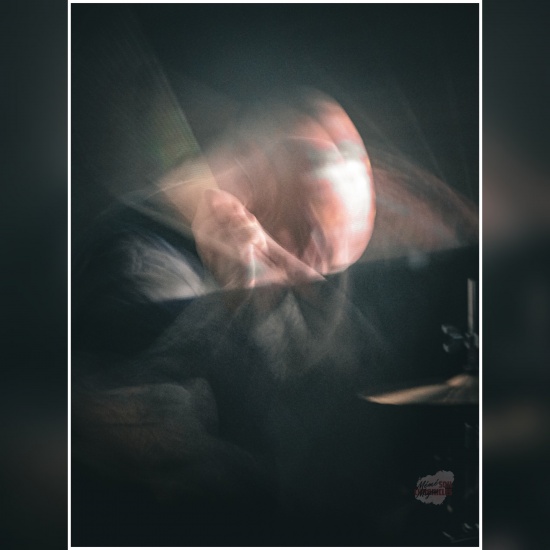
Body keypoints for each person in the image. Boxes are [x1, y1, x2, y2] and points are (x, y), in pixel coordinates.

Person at [71, 91, 383, 545]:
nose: (303, 275)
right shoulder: (138, 275)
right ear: (253, 173)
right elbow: (211, 478)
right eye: (303, 239)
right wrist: (240, 304)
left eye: (323, 267)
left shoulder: (233, 265)